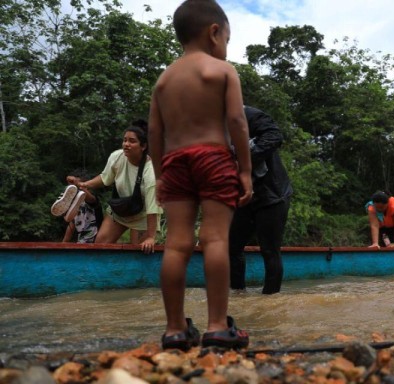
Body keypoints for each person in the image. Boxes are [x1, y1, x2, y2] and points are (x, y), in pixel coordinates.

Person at [148, 0, 252, 351]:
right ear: (214, 33)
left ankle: (175, 330)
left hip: (175, 162)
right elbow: (238, 122)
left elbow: (153, 132)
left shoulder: (163, 80)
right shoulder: (222, 71)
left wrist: (161, 175)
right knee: (215, 239)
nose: (226, 46)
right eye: (227, 38)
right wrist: (246, 171)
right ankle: (218, 327)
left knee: (176, 243)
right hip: (213, 157)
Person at [229, 106, 293, 295]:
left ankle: (270, 300)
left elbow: (274, 137)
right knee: (232, 247)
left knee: (269, 250)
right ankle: (238, 294)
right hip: (243, 196)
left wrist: (244, 161)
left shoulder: (249, 115)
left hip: (272, 194)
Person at [77, 120, 161, 254]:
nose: (126, 144)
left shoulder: (151, 173)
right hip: (120, 211)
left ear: (143, 146)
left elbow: (153, 208)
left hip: (143, 216)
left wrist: (151, 237)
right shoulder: (117, 157)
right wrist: (86, 184)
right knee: (100, 245)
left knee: (139, 252)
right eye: (125, 140)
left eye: (132, 141)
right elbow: (105, 178)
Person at [62, 169, 104, 243]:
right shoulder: (75, 204)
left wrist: (78, 184)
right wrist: (63, 243)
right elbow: (72, 224)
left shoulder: (93, 200)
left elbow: (89, 198)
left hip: (96, 244)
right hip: (81, 244)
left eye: (75, 187)